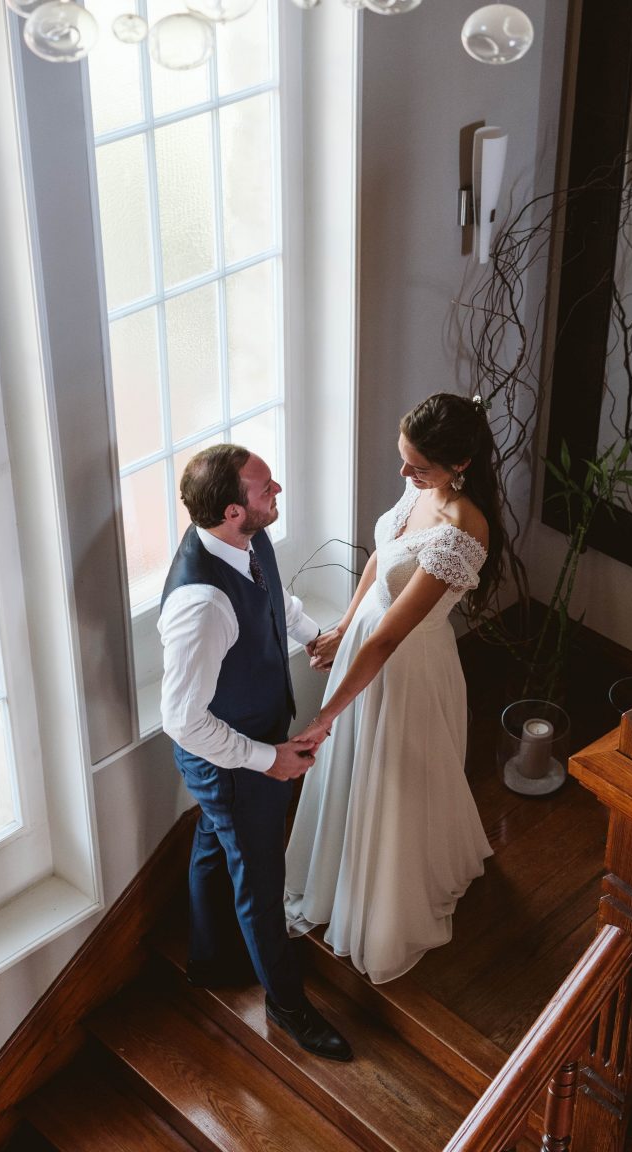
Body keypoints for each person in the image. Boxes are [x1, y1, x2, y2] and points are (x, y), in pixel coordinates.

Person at [285, 392, 502, 984]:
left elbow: (389, 642)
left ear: (459, 465)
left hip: (404, 668)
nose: (405, 474)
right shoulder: (420, 484)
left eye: (419, 467)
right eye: (403, 460)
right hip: (368, 644)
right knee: (357, 771)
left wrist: (325, 715)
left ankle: (389, 897)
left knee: (398, 778)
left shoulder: (464, 531)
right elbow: (383, 557)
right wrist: (342, 626)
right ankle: (337, 877)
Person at [159, 444, 352, 1061]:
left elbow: (277, 602)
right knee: (261, 879)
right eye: (265, 489)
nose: (278, 494)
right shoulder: (201, 605)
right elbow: (182, 721)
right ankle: (286, 1004)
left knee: (216, 846)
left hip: (249, 739)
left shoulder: (246, 541)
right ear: (231, 511)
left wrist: (312, 636)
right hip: (231, 760)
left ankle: (211, 960)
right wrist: (267, 759)